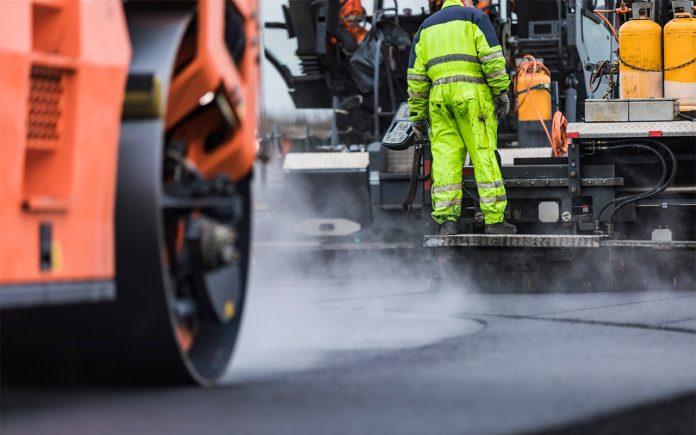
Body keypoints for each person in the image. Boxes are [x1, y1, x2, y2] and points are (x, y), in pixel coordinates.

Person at [407, 0, 517, 235]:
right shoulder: (475, 17)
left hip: (438, 99)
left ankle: (448, 222)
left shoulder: (425, 27)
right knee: (482, 154)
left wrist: (417, 115)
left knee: (445, 158)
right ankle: (494, 221)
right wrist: (501, 92)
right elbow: (492, 59)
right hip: (472, 96)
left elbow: (416, 78)